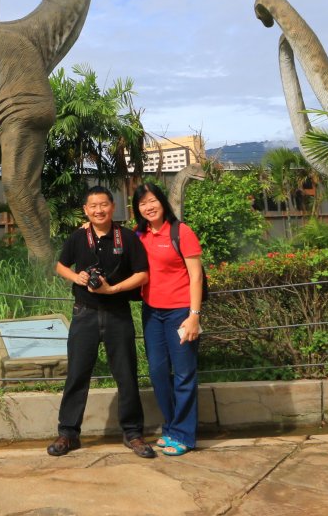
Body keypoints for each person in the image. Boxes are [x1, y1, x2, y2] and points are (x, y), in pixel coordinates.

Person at [48, 185, 155, 459]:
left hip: (118, 313)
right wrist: (77, 278)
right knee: (77, 374)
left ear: (113, 207)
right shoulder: (78, 237)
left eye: (103, 205)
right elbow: (60, 266)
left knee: (126, 374)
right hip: (84, 313)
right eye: (93, 206)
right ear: (86, 210)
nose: (98, 210)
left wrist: (112, 290)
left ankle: (133, 433)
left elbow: (143, 274)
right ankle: (68, 433)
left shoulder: (128, 238)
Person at [132, 182, 205, 457]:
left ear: (162, 202)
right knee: (158, 374)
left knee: (184, 374)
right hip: (152, 313)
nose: (148, 207)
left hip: (180, 313)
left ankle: (184, 435)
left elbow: (196, 276)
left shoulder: (181, 232)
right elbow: (114, 243)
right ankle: (171, 428)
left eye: (152, 201)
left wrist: (194, 316)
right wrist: (85, 229)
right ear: (137, 208)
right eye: (142, 203)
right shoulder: (139, 235)